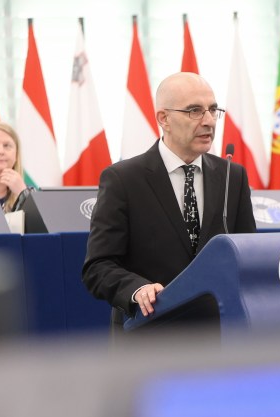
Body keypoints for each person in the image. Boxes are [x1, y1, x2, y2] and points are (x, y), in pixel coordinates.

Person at [82, 72, 257, 329]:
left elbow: (247, 255)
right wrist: (137, 289)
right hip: (151, 332)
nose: (209, 121)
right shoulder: (123, 179)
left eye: (212, 110)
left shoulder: (233, 176)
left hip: (218, 334)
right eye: (195, 111)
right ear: (164, 118)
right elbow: (98, 266)